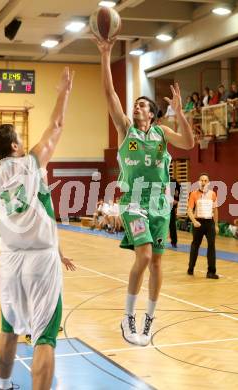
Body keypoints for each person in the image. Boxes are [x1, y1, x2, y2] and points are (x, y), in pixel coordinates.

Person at [0, 67, 74, 390]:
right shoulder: (31, 164)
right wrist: (63, 92)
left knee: (8, 329)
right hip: (40, 260)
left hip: (11, 262)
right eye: (20, 140)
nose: (24, 143)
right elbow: (56, 125)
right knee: (45, 337)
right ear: (13, 147)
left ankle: (4, 385)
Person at [94, 38, 194, 346]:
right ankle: (128, 317)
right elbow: (110, 94)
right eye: (135, 104)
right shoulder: (126, 129)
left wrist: (179, 111)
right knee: (145, 254)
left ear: (151, 113)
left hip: (160, 207)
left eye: (141, 104)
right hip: (134, 203)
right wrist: (106, 53)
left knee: (158, 263)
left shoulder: (162, 132)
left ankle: (150, 318)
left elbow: (189, 144)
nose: (136, 106)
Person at [187, 173, 219, 279]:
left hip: (210, 223)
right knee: (195, 245)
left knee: (211, 246)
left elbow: (215, 210)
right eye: (202, 180)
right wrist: (194, 221)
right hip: (198, 223)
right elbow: (189, 210)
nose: (203, 182)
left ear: (208, 183)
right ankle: (191, 267)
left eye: (205, 180)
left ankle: (211, 272)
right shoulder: (193, 194)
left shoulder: (213, 194)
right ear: (198, 182)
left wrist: (216, 225)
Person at [169, 177, 181, 248]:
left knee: (172, 224)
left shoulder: (173, 181)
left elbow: (178, 191)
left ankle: (174, 242)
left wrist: (176, 200)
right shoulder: (159, 180)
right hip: (160, 206)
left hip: (170, 206)